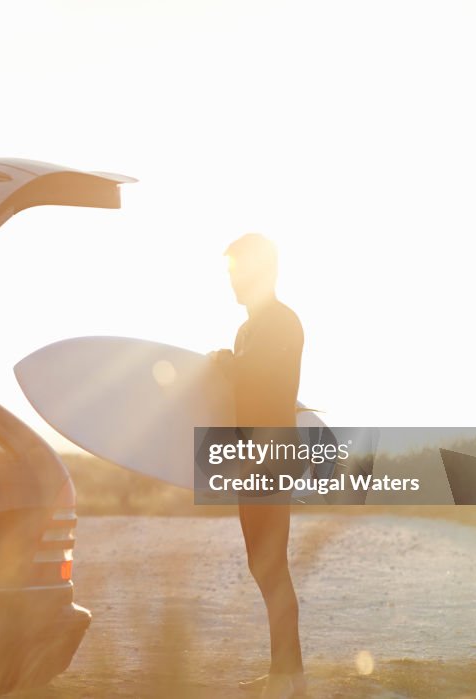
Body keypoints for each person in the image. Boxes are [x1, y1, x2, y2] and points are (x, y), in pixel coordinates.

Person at [211, 234, 306, 699]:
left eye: (236, 270)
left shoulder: (283, 322)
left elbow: (261, 379)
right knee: (261, 564)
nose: (230, 278)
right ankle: (283, 672)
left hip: (275, 456)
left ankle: (289, 677)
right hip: (251, 458)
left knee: (273, 566)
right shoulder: (248, 329)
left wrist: (227, 364)